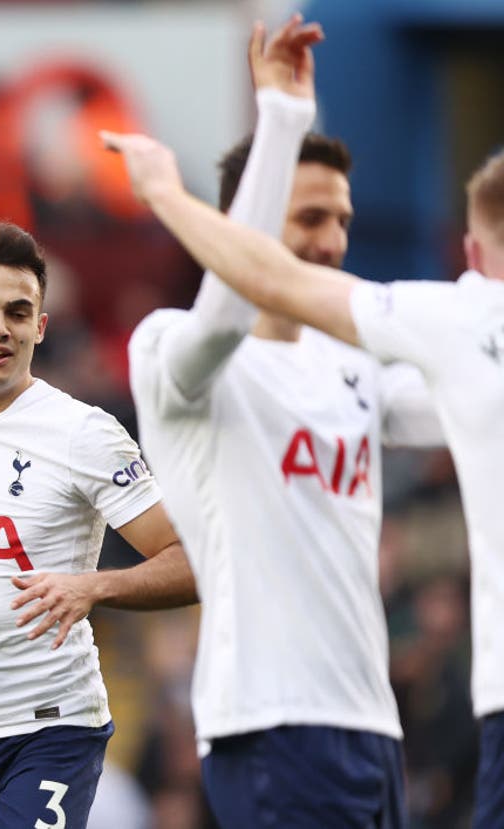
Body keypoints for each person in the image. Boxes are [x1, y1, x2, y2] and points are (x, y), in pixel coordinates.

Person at [105, 120, 504, 828]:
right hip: (270, 719)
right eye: (311, 216)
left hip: (373, 726)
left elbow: (468, 400)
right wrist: (283, 114)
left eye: (343, 219)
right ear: (246, 223)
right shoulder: (178, 349)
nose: (333, 240)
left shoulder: (351, 366)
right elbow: (229, 307)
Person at [0, 219, 197, 829]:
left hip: (49, 724)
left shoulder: (83, 433)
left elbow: (191, 561)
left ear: (41, 326)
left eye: (17, 310)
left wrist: (96, 586)